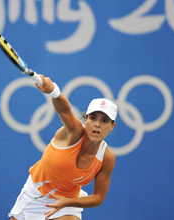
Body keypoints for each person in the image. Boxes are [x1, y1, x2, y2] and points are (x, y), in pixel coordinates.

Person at [8, 74, 117, 220]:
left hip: (68, 200)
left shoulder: (107, 157)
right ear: (86, 120)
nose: (97, 124)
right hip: (35, 193)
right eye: (93, 118)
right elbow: (65, 110)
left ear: (112, 126)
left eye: (104, 120)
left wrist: (68, 202)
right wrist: (53, 91)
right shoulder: (74, 132)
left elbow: (98, 197)